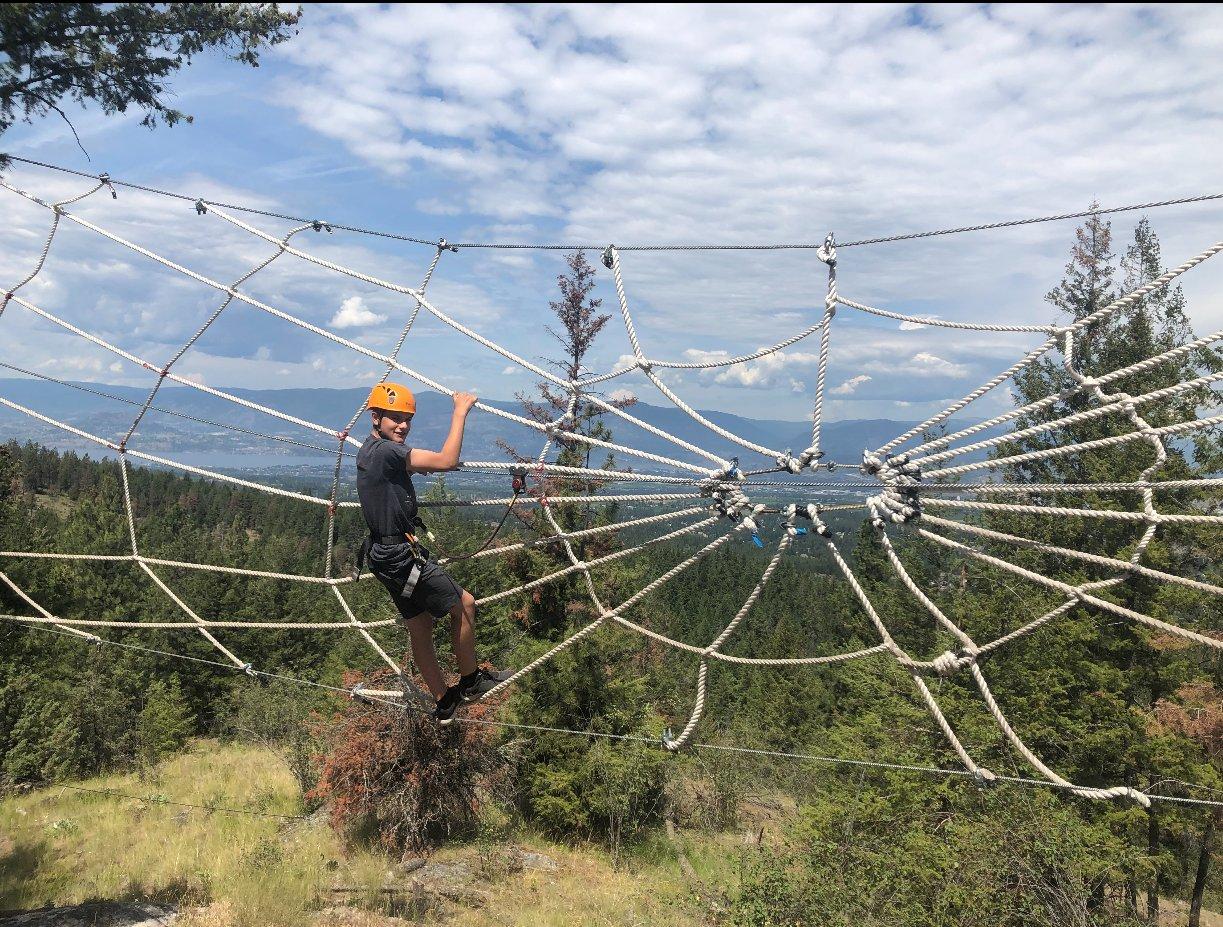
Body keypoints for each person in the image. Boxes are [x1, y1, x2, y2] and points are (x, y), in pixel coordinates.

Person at [356, 382, 510, 723]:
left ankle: (444, 701)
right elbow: (447, 460)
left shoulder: (369, 449)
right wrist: (460, 411)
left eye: (406, 419)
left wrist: (411, 467)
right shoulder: (388, 452)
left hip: (384, 556)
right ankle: (470, 681)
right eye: (394, 418)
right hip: (401, 555)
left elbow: (396, 469)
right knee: (465, 604)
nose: (402, 425)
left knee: (420, 625)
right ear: (376, 417)